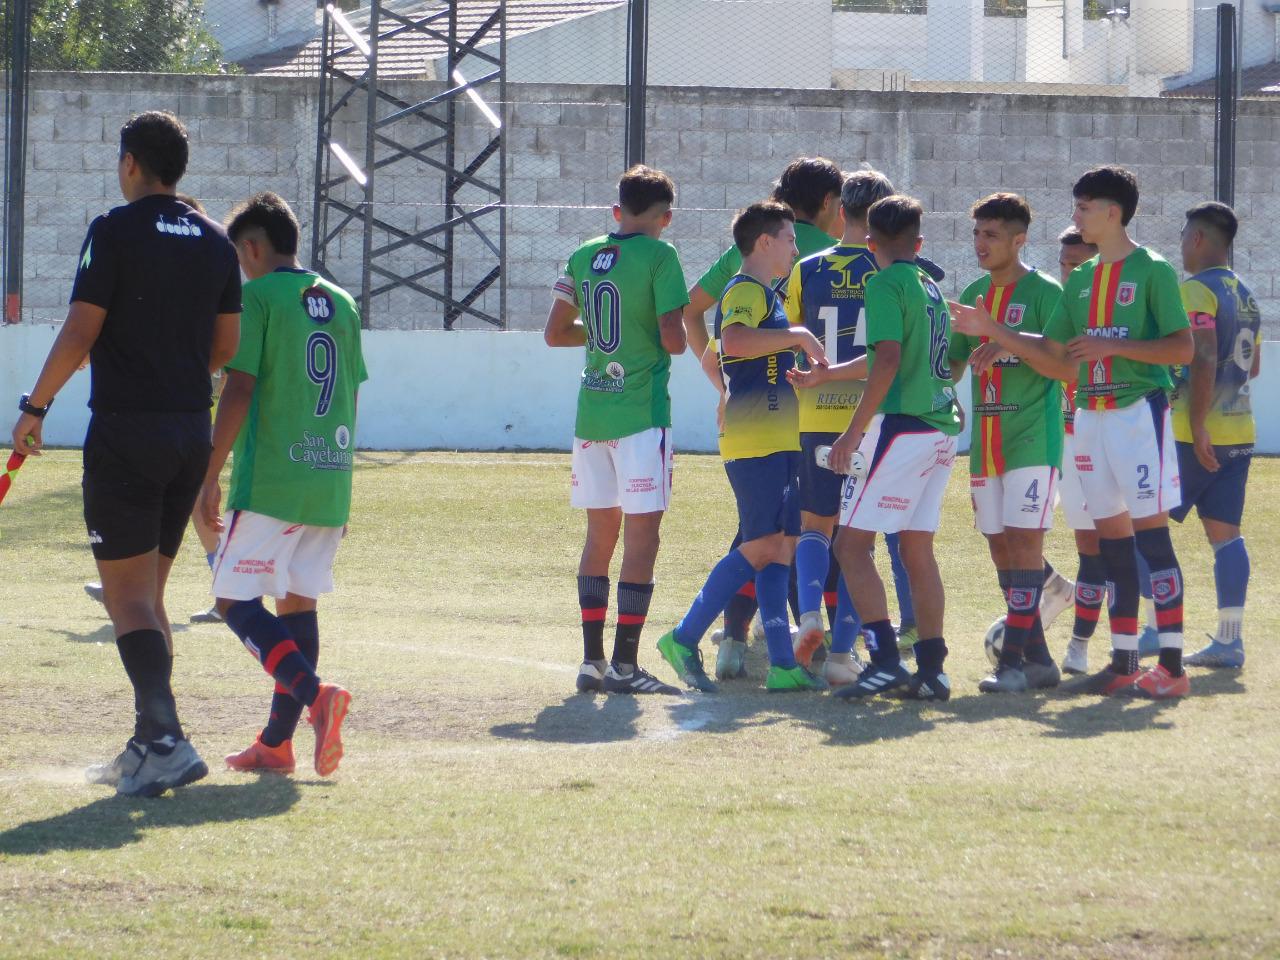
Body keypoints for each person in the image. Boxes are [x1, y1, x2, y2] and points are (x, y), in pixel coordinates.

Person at [11, 111, 241, 796]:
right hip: (187, 437)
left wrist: (35, 407)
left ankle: (165, 740)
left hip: (127, 436)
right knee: (151, 598)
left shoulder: (114, 229)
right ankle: (149, 741)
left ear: (131, 163)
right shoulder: (216, 240)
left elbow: (84, 326)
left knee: (129, 604)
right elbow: (225, 349)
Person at [952, 166, 1194, 699]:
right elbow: (1060, 360)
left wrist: (1115, 348)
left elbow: (1181, 349)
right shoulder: (1080, 281)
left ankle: (1173, 668)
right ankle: (1125, 661)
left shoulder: (1151, 270)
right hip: (1090, 415)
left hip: (1137, 412)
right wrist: (996, 331)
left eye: (1084, 207)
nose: (1075, 216)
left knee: (1152, 540)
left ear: (1113, 213)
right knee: (1113, 549)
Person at [201, 192, 362, 776]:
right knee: (297, 606)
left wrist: (209, 472)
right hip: (329, 478)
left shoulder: (257, 297)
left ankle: (315, 696)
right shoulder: (342, 302)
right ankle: (277, 744)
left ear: (251, 247)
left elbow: (238, 389)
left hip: (273, 479)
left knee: (230, 599)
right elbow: (353, 391)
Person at [657, 201, 829, 693]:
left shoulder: (765, 295)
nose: (796, 248)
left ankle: (781, 664)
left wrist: (737, 388)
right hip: (757, 438)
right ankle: (683, 637)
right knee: (759, 547)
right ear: (764, 243)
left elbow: (717, 358)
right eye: (790, 239)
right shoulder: (745, 289)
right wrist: (796, 335)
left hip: (775, 432)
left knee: (779, 551)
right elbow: (731, 342)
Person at [544, 165, 688, 696]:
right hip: (640, 416)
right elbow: (674, 340)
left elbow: (555, 333)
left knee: (599, 536)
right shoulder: (661, 256)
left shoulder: (583, 255)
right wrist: (646, 329)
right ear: (665, 218)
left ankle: (591, 662)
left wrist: (609, 336)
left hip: (592, 415)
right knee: (643, 537)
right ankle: (626, 665)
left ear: (616, 211)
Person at [822, 195, 961, 702]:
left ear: (869, 242)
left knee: (851, 545)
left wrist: (852, 433)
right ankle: (933, 669)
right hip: (940, 429)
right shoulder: (930, 287)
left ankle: (883, 660)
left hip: (903, 429)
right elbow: (903, 358)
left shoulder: (882, 283)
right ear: (919, 243)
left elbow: (886, 363)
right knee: (917, 549)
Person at [783, 169, 896, 686]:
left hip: (815, 413)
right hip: (871, 416)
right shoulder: (892, 270)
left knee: (815, 525)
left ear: (841, 210)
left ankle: (808, 615)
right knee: (859, 540)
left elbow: (789, 335)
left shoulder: (806, 268)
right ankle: (843, 653)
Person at [948, 193, 1064, 693]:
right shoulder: (973, 291)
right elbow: (952, 363)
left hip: (1033, 440)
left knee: (1024, 544)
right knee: (1000, 548)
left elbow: (1063, 366)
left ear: (1020, 240)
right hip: (986, 443)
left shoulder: (1046, 292)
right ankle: (1040, 662)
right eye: (977, 232)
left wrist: (1003, 335)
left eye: (991, 234)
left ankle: (1011, 664)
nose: (981, 243)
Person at [1170, 201, 1261, 669]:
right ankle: (1230, 641)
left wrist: (1199, 422)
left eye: (1185, 234)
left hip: (1195, 434)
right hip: (1241, 431)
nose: (1182, 244)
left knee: (1138, 526)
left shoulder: (1195, 292)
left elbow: (1202, 356)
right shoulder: (1246, 292)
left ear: (1199, 238)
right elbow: (1255, 365)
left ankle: (1150, 631)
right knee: (1226, 537)